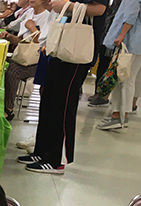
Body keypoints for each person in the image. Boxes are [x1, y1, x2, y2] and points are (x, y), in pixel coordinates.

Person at [17, 0, 107, 174]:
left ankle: (55, 160)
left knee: (63, 105)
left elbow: (100, 9)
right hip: (60, 46)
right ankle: (42, 151)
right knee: (48, 100)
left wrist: (67, 5)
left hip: (76, 50)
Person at [96, 0, 141, 130]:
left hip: (132, 37)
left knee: (123, 79)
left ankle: (118, 115)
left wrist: (121, 34)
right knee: (130, 78)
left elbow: (131, 13)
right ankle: (122, 115)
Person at [0, 0, 52, 120]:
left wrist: (32, 28)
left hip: (38, 60)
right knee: (4, 65)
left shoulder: (48, 16)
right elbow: (21, 40)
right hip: (23, 56)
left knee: (13, 71)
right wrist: (8, 36)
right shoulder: (29, 12)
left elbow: (43, 42)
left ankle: (8, 109)